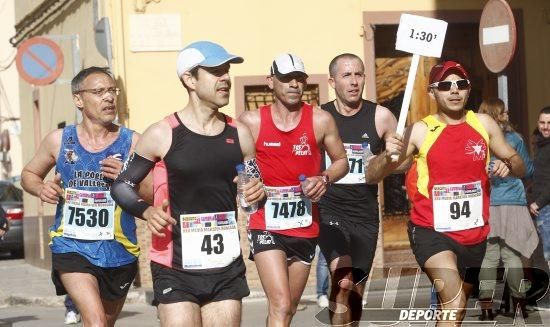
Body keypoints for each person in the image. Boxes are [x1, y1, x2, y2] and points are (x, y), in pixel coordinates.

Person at [111, 41, 265, 327]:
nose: (225, 78)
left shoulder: (240, 134)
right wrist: (147, 211)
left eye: (226, 71)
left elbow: (253, 194)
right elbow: (121, 186)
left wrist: (257, 193)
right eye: (215, 71)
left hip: (225, 265)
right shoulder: (162, 134)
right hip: (175, 265)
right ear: (189, 79)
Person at [366, 60, 526, 325]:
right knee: (453, 299)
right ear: (432, 93)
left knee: (454, 310)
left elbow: (518, 163)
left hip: (474, 234)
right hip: (431, 230)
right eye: (445, 85)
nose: (454, 91)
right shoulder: (420, 130)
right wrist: (386, 156)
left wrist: (508, 164)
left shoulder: (483, 124)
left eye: (460, 84)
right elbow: (372, 175)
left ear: (468, 89)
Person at [21, 66, 145, 326]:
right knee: (96, 321)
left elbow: (154, 191)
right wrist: (41, 188)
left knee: (103, 324)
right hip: (71, 245)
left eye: (112, 90)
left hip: (119, 248)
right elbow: (29, 174)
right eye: (99, 91)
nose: (109, 97)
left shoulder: (133, 142)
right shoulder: (59, 140)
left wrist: (126, 176)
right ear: (79, 99)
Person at [239, 53, 348, 326]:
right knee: (281, 303)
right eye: (287, 78)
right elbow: (235, 164)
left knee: (289, 308)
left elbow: (342, 161)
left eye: (299, 78)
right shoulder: (251, 121)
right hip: (266, 223)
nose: (294, 84)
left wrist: (323, 178)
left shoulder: (320, 120)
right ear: (271, 81)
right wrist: (246, 185)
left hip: (304, 223)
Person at [318, 53, 397, 324]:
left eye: (359, 74)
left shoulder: (382, 117)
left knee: (355, 293)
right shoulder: (320, 116)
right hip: (330, 209)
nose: (354, 82)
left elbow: (401, 164)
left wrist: (393, 156)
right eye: (346, 75)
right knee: (343, 280)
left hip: (365, 214)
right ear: (332, 81)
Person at [477, 98, 538, 320]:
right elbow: (528, 169)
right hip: (513, 201)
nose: (506, 115)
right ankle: (519, 305)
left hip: (488, 202)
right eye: (502, 112)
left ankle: (485, 307)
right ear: (495, 115)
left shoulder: (478, 140)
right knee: (512, 255)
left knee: (489, 257)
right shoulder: (514, 139)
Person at [530, 107, 550, 263]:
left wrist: (538, 202)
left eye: (549, 123)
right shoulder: (540, 144)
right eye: (542, 122)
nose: (545, 126)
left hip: (546, 207)